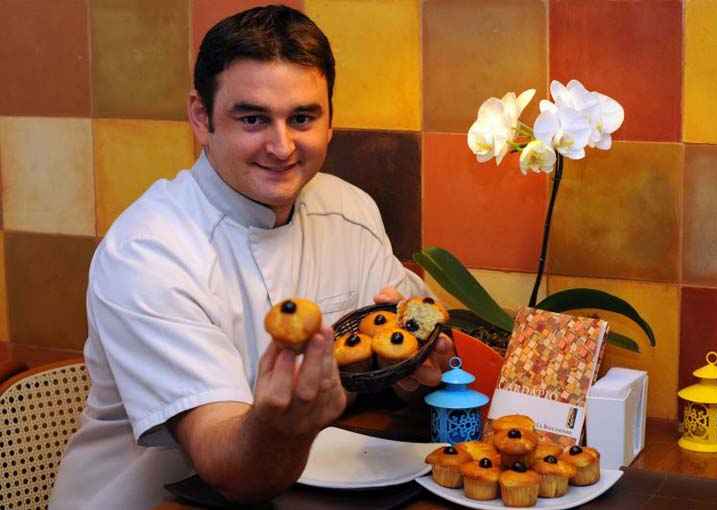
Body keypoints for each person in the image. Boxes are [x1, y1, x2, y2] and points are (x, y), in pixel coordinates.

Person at [50, 5, 453, 508]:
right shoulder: (149, 252)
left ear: (330, 120)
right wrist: (279, 419)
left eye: (302, 117)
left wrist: (414, 373)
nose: (281, 147)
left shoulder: (347, 208)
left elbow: (411, 347)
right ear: (201, 117)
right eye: (253, 118)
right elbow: (228, 466)